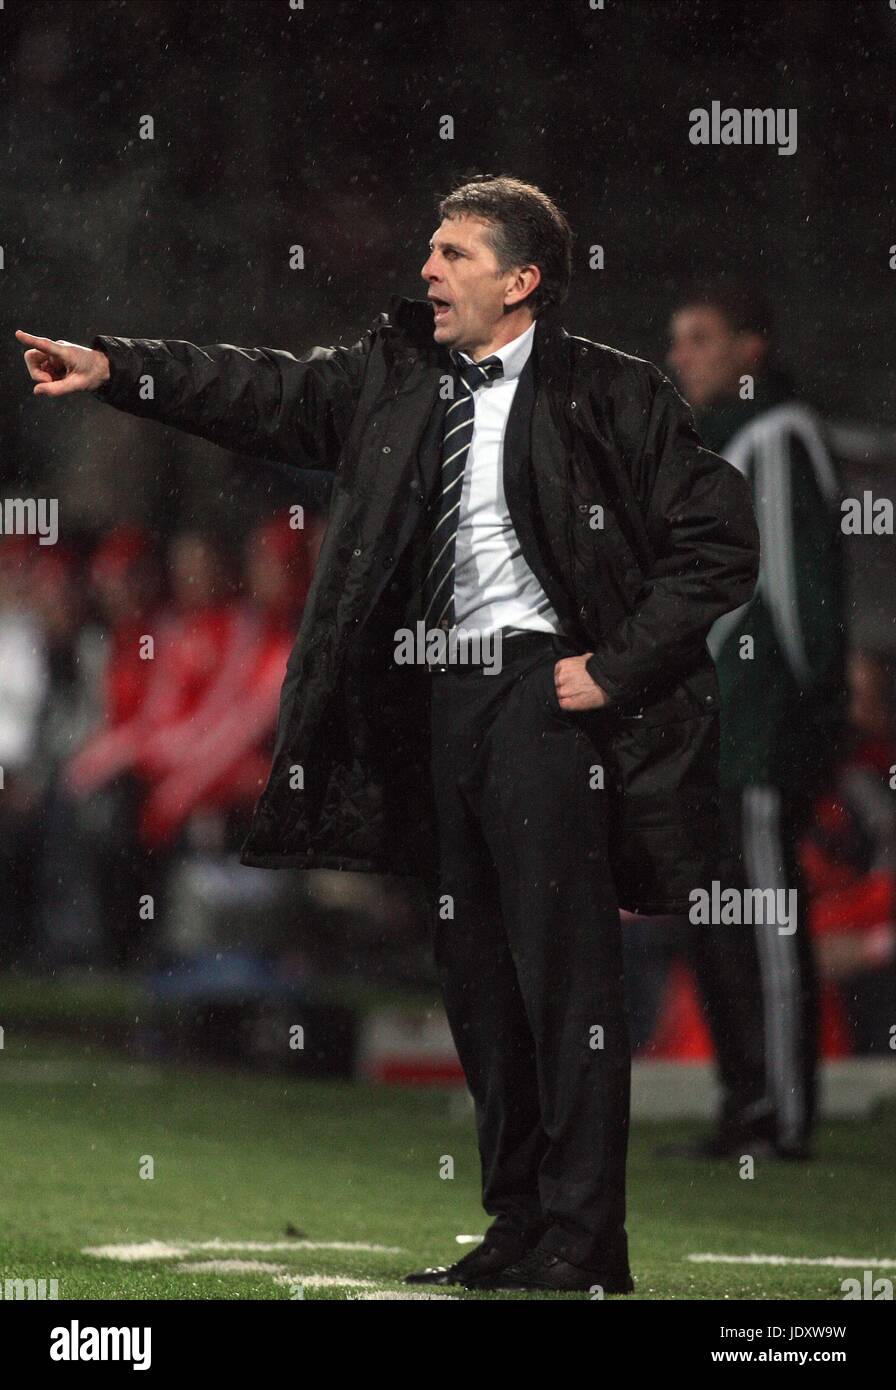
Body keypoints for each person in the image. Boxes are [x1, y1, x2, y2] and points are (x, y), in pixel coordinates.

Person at [16, 174, 759, 1293]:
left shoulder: (613, 392)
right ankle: (516, 1222)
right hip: (436, 706)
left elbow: (718, 540)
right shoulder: (392, 378)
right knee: (475, 976)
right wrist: (123, 368)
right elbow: (257, 390)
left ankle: (584, 1240)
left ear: (521, 281)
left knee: (566, 981)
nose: (426, 270)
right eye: (428, 249)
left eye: (453, 254)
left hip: (539, 697)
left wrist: (609, 670)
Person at [641, 276, 846, 1160]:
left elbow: (800, 602)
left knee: (762, 918)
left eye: (701, 337)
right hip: (719, 737)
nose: (681, 355)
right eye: (677, 337)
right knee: (716, 921)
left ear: (751, 349)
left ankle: (783, 1116)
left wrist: (805, 718)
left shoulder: (776, 434)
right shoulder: (719, 441)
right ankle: (743, 1105)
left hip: (760, 733)